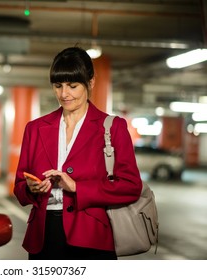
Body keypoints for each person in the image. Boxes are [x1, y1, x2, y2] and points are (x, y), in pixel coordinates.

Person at [13, 46, 143, 260]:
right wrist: (31, 188)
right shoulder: (35, 129)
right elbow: (19, 188)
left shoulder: (113, 127)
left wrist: (77, 187)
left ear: (90, 83)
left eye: (72, 86)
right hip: (44, 236)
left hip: (92, 235)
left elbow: (131, 187)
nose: (64, 94)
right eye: (58, 86)